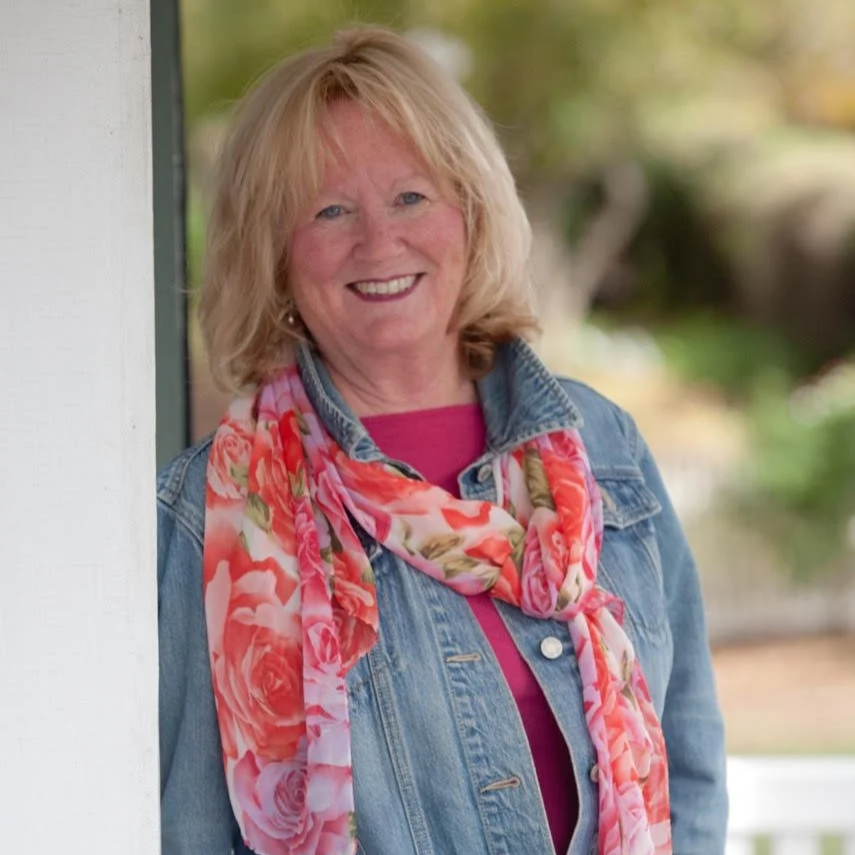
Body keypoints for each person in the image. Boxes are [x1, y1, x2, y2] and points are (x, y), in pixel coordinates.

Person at [157, 25, 727, 855]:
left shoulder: (599, 445)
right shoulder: (214, 510)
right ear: (274, 255)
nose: (378, 241)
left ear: (469, 209)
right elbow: (192, 830)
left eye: (411, 197)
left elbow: (688, 755)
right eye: (329, 210)